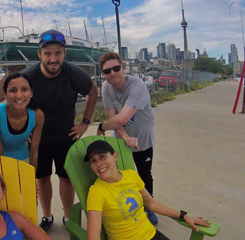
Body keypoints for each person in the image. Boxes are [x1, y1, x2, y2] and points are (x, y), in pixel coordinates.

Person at [21, 29, 98, 231]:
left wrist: (85, 123)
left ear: (64, 54)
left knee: (66, 178)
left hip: (66, 136)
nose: (53, 59)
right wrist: (23, 128)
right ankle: (47, 217)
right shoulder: (28, 76)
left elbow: (93, 91)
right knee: (42, 178)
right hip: (38, 140)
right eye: (47, 53)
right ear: (39, 55)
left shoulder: (74, 74)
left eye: (58, 53)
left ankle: (67, 216)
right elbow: (13, 101)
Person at [85, 140, 211, 240]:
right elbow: (94, 235)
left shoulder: (131, 175)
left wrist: (183, 215)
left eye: (102, 157)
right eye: (93, 161)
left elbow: (151, 203)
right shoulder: (96, 192)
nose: (98, 164)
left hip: (152, 235)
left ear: (115, 156)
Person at [96, 52, 158, 223]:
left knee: (144, 175)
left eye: (116, 68)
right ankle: (125, 206)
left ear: (123, 68)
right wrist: (124, 136)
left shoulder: (137, 86)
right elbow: (112, 116)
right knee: (120, 175)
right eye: (107, 71)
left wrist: (101, 127)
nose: (112, 73)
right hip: (122, 140)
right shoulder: (106, 87)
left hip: (142, 139)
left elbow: (121, 118)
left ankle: (149, 206)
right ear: (103, 74)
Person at [0, 72, 44, 171]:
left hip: (22, 159)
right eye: (13, 90)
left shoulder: (38, 115)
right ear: (5, 95)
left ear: (31, 93)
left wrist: (31, 179)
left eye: (24, 89)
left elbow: (34, 152)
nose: (19, 95)